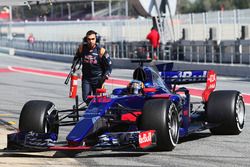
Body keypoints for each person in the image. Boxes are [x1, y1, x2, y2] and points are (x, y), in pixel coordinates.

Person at [73, 30, 112, 103]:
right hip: (86, 78)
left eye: (93, 39)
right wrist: (75, 66)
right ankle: (90, 109)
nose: (91, 41)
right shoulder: (82, 48)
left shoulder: (101, 51)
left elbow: (109, 66)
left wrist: (106, 74)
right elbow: (76, 58)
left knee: (97, 100)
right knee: (86, 98)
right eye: (89, 39)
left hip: (98, 79)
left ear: (96, 39)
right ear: (86, 39)